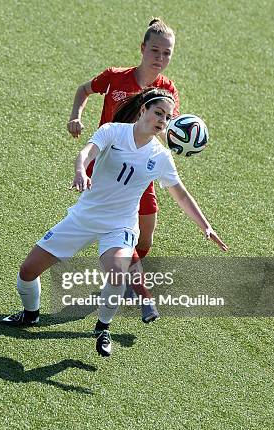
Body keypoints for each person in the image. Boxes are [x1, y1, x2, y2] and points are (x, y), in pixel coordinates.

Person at [2, 88, 228, 357]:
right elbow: (87, 152)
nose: (162, 120)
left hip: (119, 226)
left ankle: (103, 327)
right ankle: (30, 315)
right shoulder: (113, 131)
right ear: (143, 109)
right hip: (84, 217)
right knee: (27, 272)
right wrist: (79, 172)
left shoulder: (161, 157)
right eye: (158, 113)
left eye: (167, 118)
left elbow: (180, 194)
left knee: (118, 272)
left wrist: (205, 226)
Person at [67, 18, 178, 323]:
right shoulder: (115, 78)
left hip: (141, 171)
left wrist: (183, 139)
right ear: (142, 49)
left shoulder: (167, 90)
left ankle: (124, 272)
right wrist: (76, 116)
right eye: (155, 50)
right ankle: (142, 296)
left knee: (145, 241)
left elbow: (169, 129)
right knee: (118, 229)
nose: (160, 58)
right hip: (108, 168)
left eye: (167, 53)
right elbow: (84, 89)